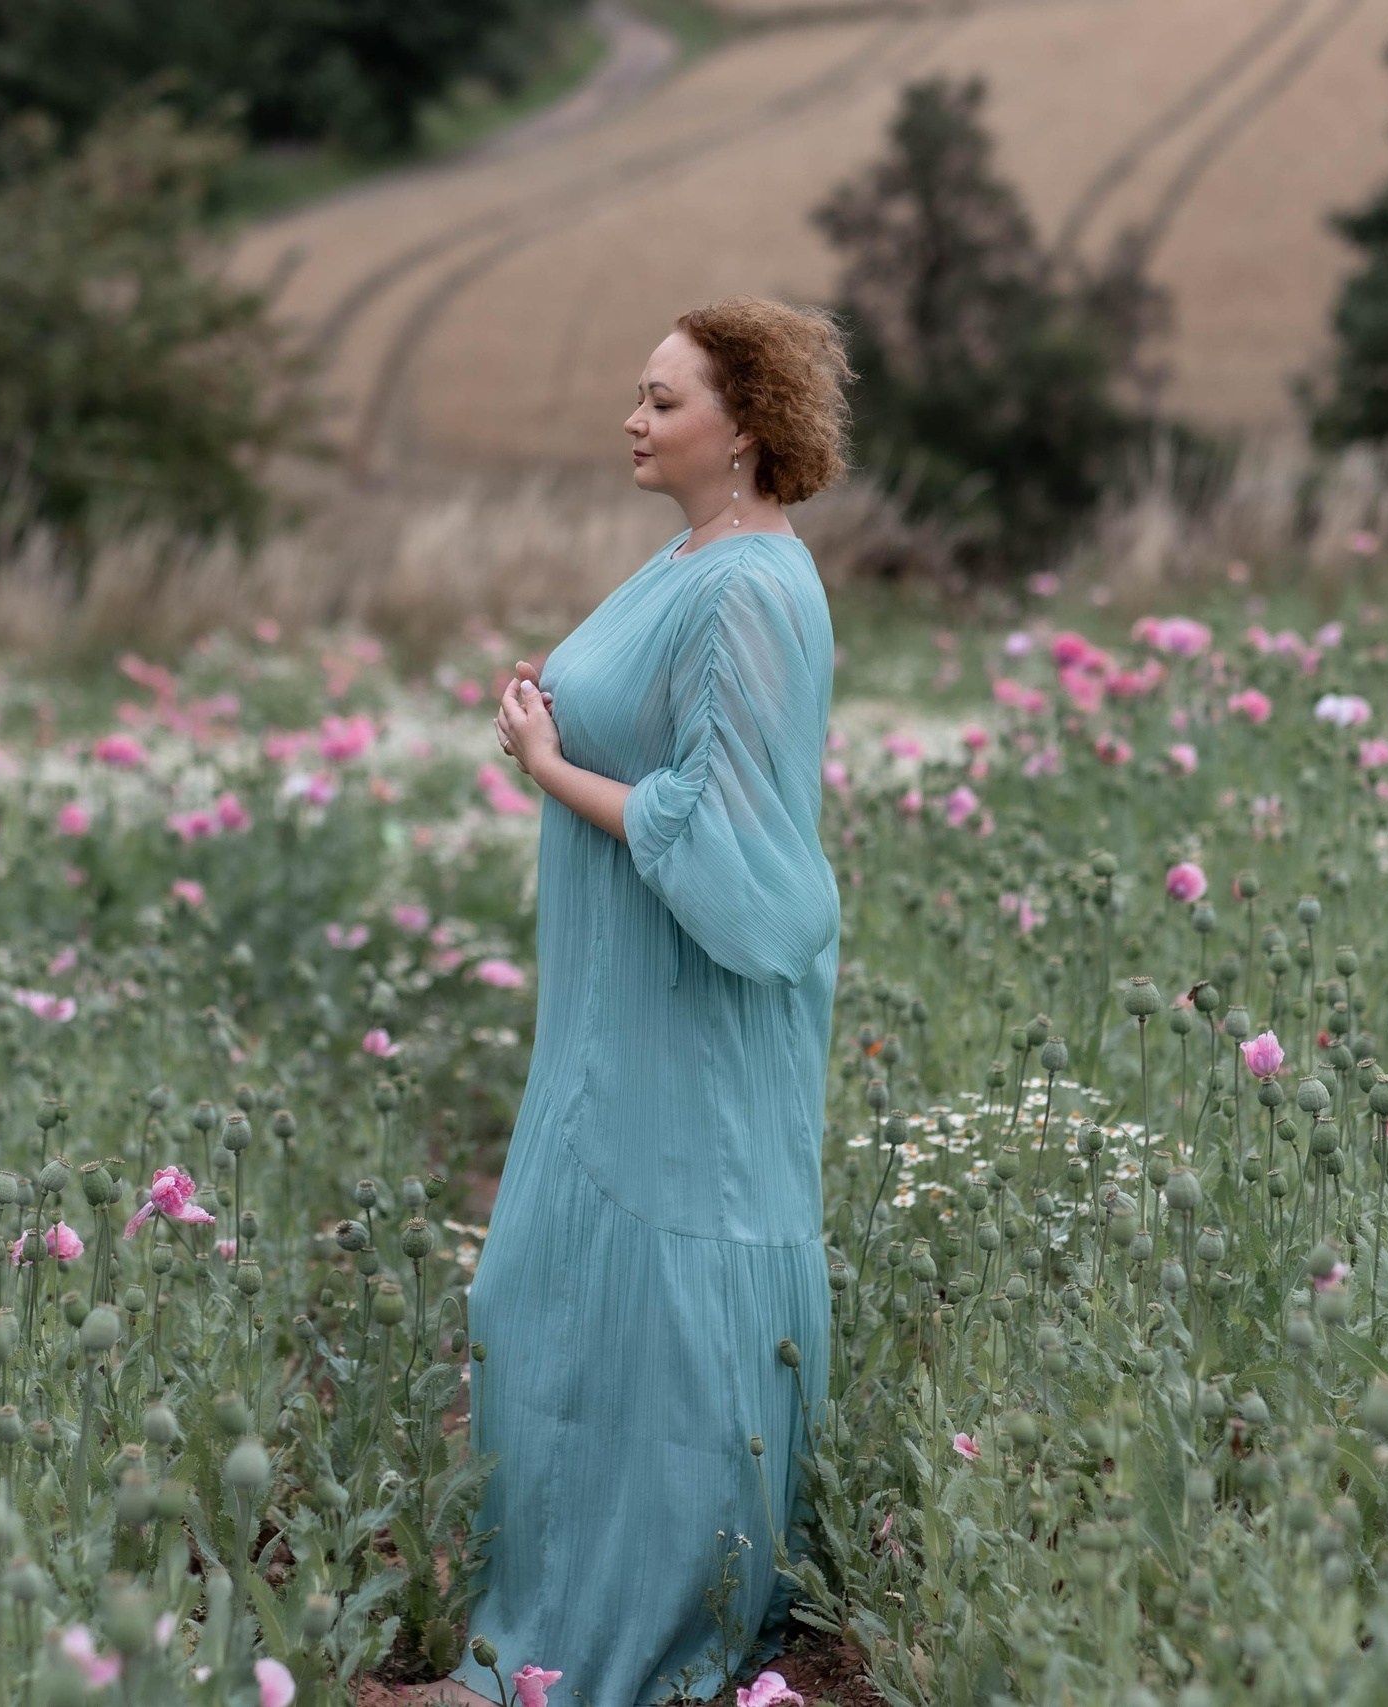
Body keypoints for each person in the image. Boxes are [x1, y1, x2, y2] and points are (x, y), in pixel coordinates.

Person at [455, 297, 851, 1706]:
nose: (634, 419)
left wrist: (548, 766)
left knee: (664, 1290)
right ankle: (566, 1599)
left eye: (663, 400)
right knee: (551, 1288)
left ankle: (657, 1611)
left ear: (745, 426)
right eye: (637, 394)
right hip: (619, 991)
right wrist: (554, 715)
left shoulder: (748, 585)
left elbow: (730, 833)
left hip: (687, 996)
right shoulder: (695, 557)